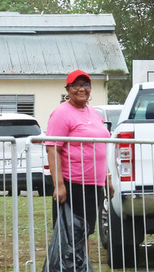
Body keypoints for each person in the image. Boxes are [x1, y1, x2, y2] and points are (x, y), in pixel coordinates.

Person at [44, 70, 112, 239]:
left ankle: (82, 266)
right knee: (71, 232)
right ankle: (70, 266)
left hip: (94, 184)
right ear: (68, 89)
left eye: (86, 85)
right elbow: (53, 149)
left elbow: (101, 147)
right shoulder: (61, 113)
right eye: (76, 85)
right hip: (73, 184)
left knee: (86, 231)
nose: (81, 89)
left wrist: (107, 177)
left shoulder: (94, 113)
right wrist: (59, 185)